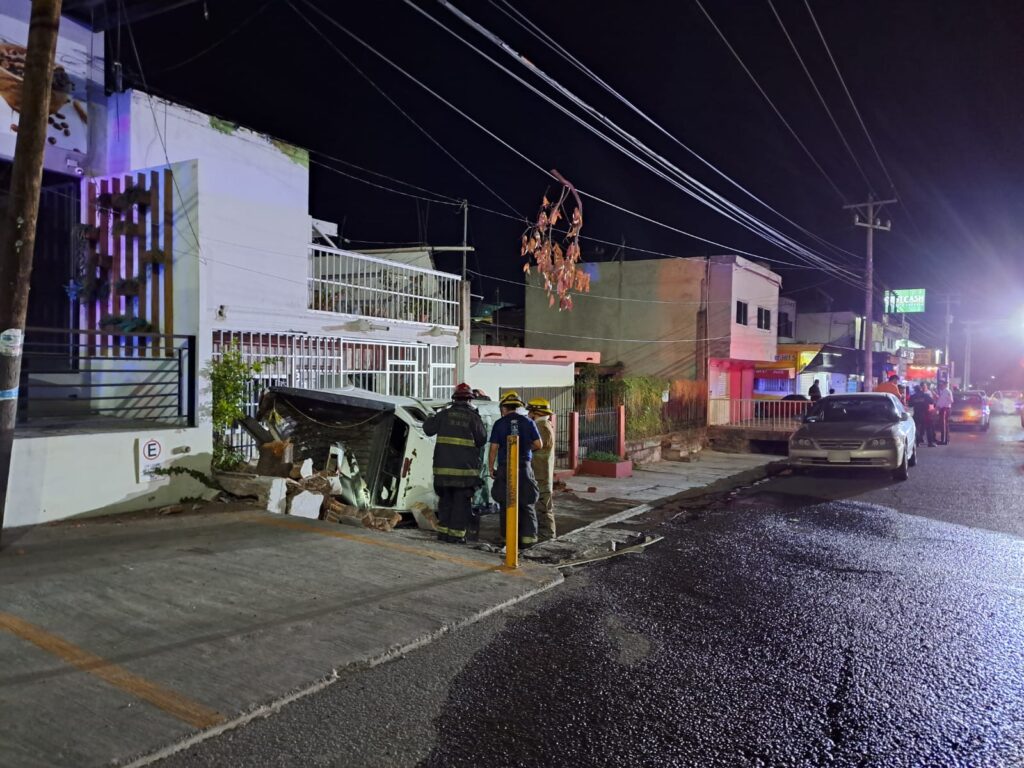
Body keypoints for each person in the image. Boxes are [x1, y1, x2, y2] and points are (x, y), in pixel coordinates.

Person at [422, 383, 487, 544]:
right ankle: (456, 536)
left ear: (454, 399)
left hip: (442, 471)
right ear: (470, 400)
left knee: (445, 501)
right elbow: (482, 440)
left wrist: (432, 415)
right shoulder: (473, 417)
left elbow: (428, 429)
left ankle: (443, 533)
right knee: (460, 503)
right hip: (464, 472)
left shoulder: (444, 414)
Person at [488, 391, 543, 549]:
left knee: (506, 503)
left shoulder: (500, 423)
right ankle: (528, 541)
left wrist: (492, 468)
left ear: (504, 408)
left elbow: (493, 448)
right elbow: (539, 444)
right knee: (526, 503)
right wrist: (526, 449)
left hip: (505, 468)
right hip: (524, 468)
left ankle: (508, 539)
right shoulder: (528, 422)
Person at [527, 398, 556, 542]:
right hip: (540, 473)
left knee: (544, 508)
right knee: (541, 507)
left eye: (530, 411)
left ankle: (548, 537)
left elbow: (536, 445)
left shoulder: (542, 426)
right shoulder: (543, 425)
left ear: (536, 412)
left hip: (541, 474)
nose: (528, 414)